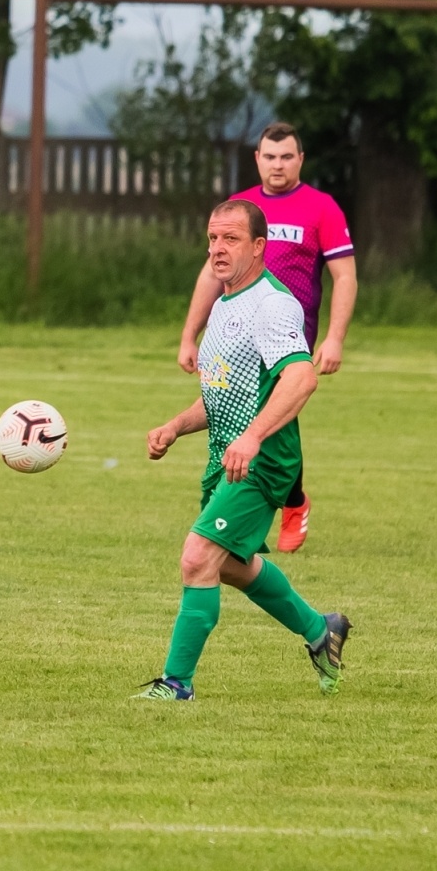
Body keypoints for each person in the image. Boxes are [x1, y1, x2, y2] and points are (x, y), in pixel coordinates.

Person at [136, 199, 350, 701]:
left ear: (259, 247)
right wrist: (175, 425)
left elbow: (300, 379)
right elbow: (223, 392)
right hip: (225, 458)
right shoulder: (226, 303)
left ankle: (176, 684)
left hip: (261, 461)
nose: (217, 248)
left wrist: (252, 438)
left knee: (196, 559)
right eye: (212, 238)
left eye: (230, 239)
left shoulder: (273, 304)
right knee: (228, 565)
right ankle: (323, 630)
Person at [177, 122, 357, 552]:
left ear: (300, 160)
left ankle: (285, 503)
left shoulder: (321, 207)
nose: (278, 164)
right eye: (270, 156)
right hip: (237, 330)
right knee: (256, 411)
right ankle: (282, 502)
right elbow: (211, 271)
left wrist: (334, 338)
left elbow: (344, 274)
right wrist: (189, 334)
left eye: (287, 156)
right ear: (257, 159)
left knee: (275, 411)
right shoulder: (240, 207)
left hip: (288, 331)